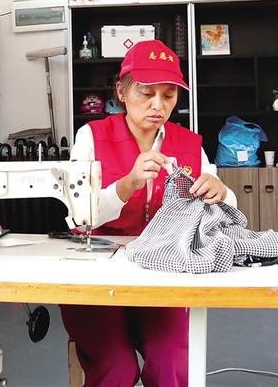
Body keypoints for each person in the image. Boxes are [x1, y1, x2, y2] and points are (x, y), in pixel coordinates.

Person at [61, 39, 235, 387]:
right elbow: (80, 215)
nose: (159, 105)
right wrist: (127, 184)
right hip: (97, 273)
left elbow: (225, 206)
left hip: (162, 270)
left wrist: (220, 192)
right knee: (116, 368)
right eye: (146, 93)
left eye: (169, 95)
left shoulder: (189, 144)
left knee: (173, 362)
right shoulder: (92, 136)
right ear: (121, 92)